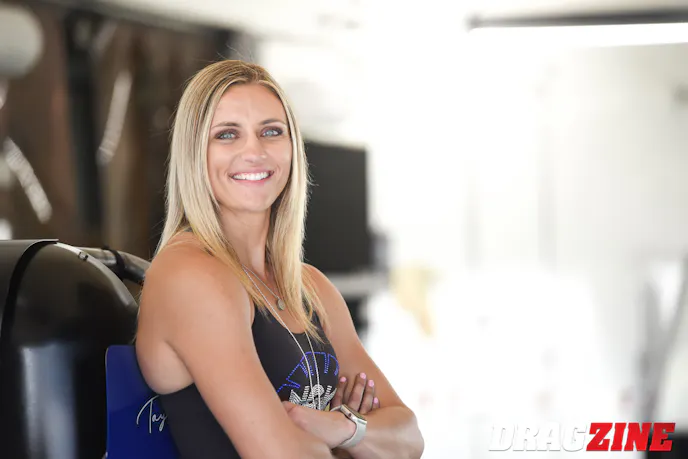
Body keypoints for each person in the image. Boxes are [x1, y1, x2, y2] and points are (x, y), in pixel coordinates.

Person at [135, 60, 424, 459]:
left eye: (271, 131)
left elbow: (409, 439)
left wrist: (339, 427)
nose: (254, 152)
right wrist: (360, 442)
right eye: (227, 135)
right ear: (194, 154)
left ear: (292, 149)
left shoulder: (311, 287)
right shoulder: (190, 274)